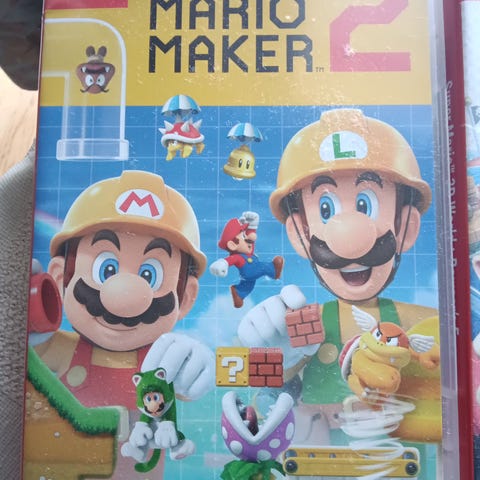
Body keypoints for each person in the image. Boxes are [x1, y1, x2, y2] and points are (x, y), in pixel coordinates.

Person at [237, 109, 441, 468]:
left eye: (366, 205)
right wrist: (273, 358)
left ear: (406, 226)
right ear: (299, 234)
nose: (348, 239)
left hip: (393, 462)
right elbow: (263, 399)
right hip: (315, 461)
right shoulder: (305, 321)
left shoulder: (420, 321)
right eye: (326, 208)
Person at [32, 170, 215, 479]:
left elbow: (189, 384)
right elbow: (26, 355)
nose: (127, 296)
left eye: (150, 275)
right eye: (107, 269)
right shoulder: (61, 350)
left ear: (185, 298)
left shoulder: (160, 362)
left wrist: (198, 365)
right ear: (61, 278)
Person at [210, 211, 283, 308]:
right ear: (233, 245)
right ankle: (273, 270)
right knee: (263, 267)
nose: (250, 238)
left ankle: (238, 293)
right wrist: (222, 263)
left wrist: (253, 224)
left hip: (247, 276)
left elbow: (251, 235)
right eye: (243, 236)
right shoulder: (238, 257)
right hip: (251, 271)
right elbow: (229, 260)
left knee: (248, 286)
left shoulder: (247, 249)